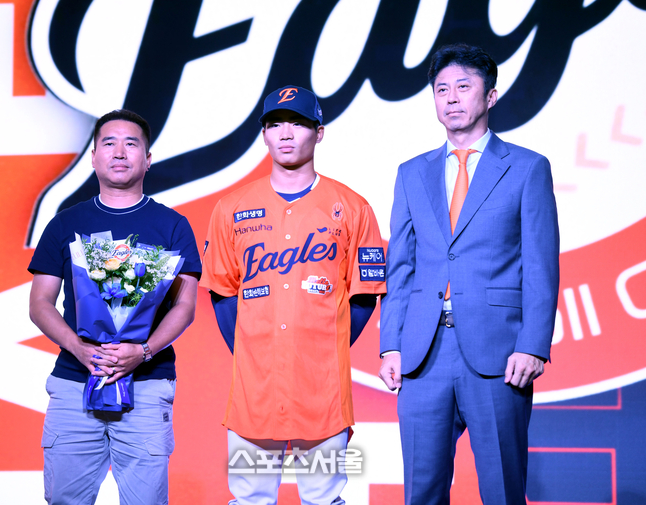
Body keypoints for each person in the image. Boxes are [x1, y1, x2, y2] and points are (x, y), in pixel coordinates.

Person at [379, 43, 560, 504]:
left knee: (502, 490)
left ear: (490, 96)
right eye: (442, 89)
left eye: (464, 86)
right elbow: (401, 267)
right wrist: (391, 344)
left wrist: (533, 345)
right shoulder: (411, 173)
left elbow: (541, 266)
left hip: (497, 354)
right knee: (421, 491)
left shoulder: (527, 168)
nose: (452, 98)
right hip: (422, 354)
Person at [201, 85, 387, 504]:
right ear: (264, 135)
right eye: (275, 124)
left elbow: (364, 296)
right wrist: (253, 351)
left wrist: (324, 349)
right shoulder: (231, 208)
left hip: (323, 392)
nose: (285, 133)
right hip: (254, 391)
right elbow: (223, 293)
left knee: (323, 497)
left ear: (319, 133)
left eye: (298, 123)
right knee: (251, 497)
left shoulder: (353, 207)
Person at [28, 109, 201, 505]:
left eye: (131, 144)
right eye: (109, 143)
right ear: (93, 157)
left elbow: (185, 305)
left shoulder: (173, 225)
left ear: (148, 159)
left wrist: (143, 351)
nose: (119, 152)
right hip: (75, 382)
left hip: (148, 383)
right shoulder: (64, 223)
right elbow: (40, 303)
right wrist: (79, 348)